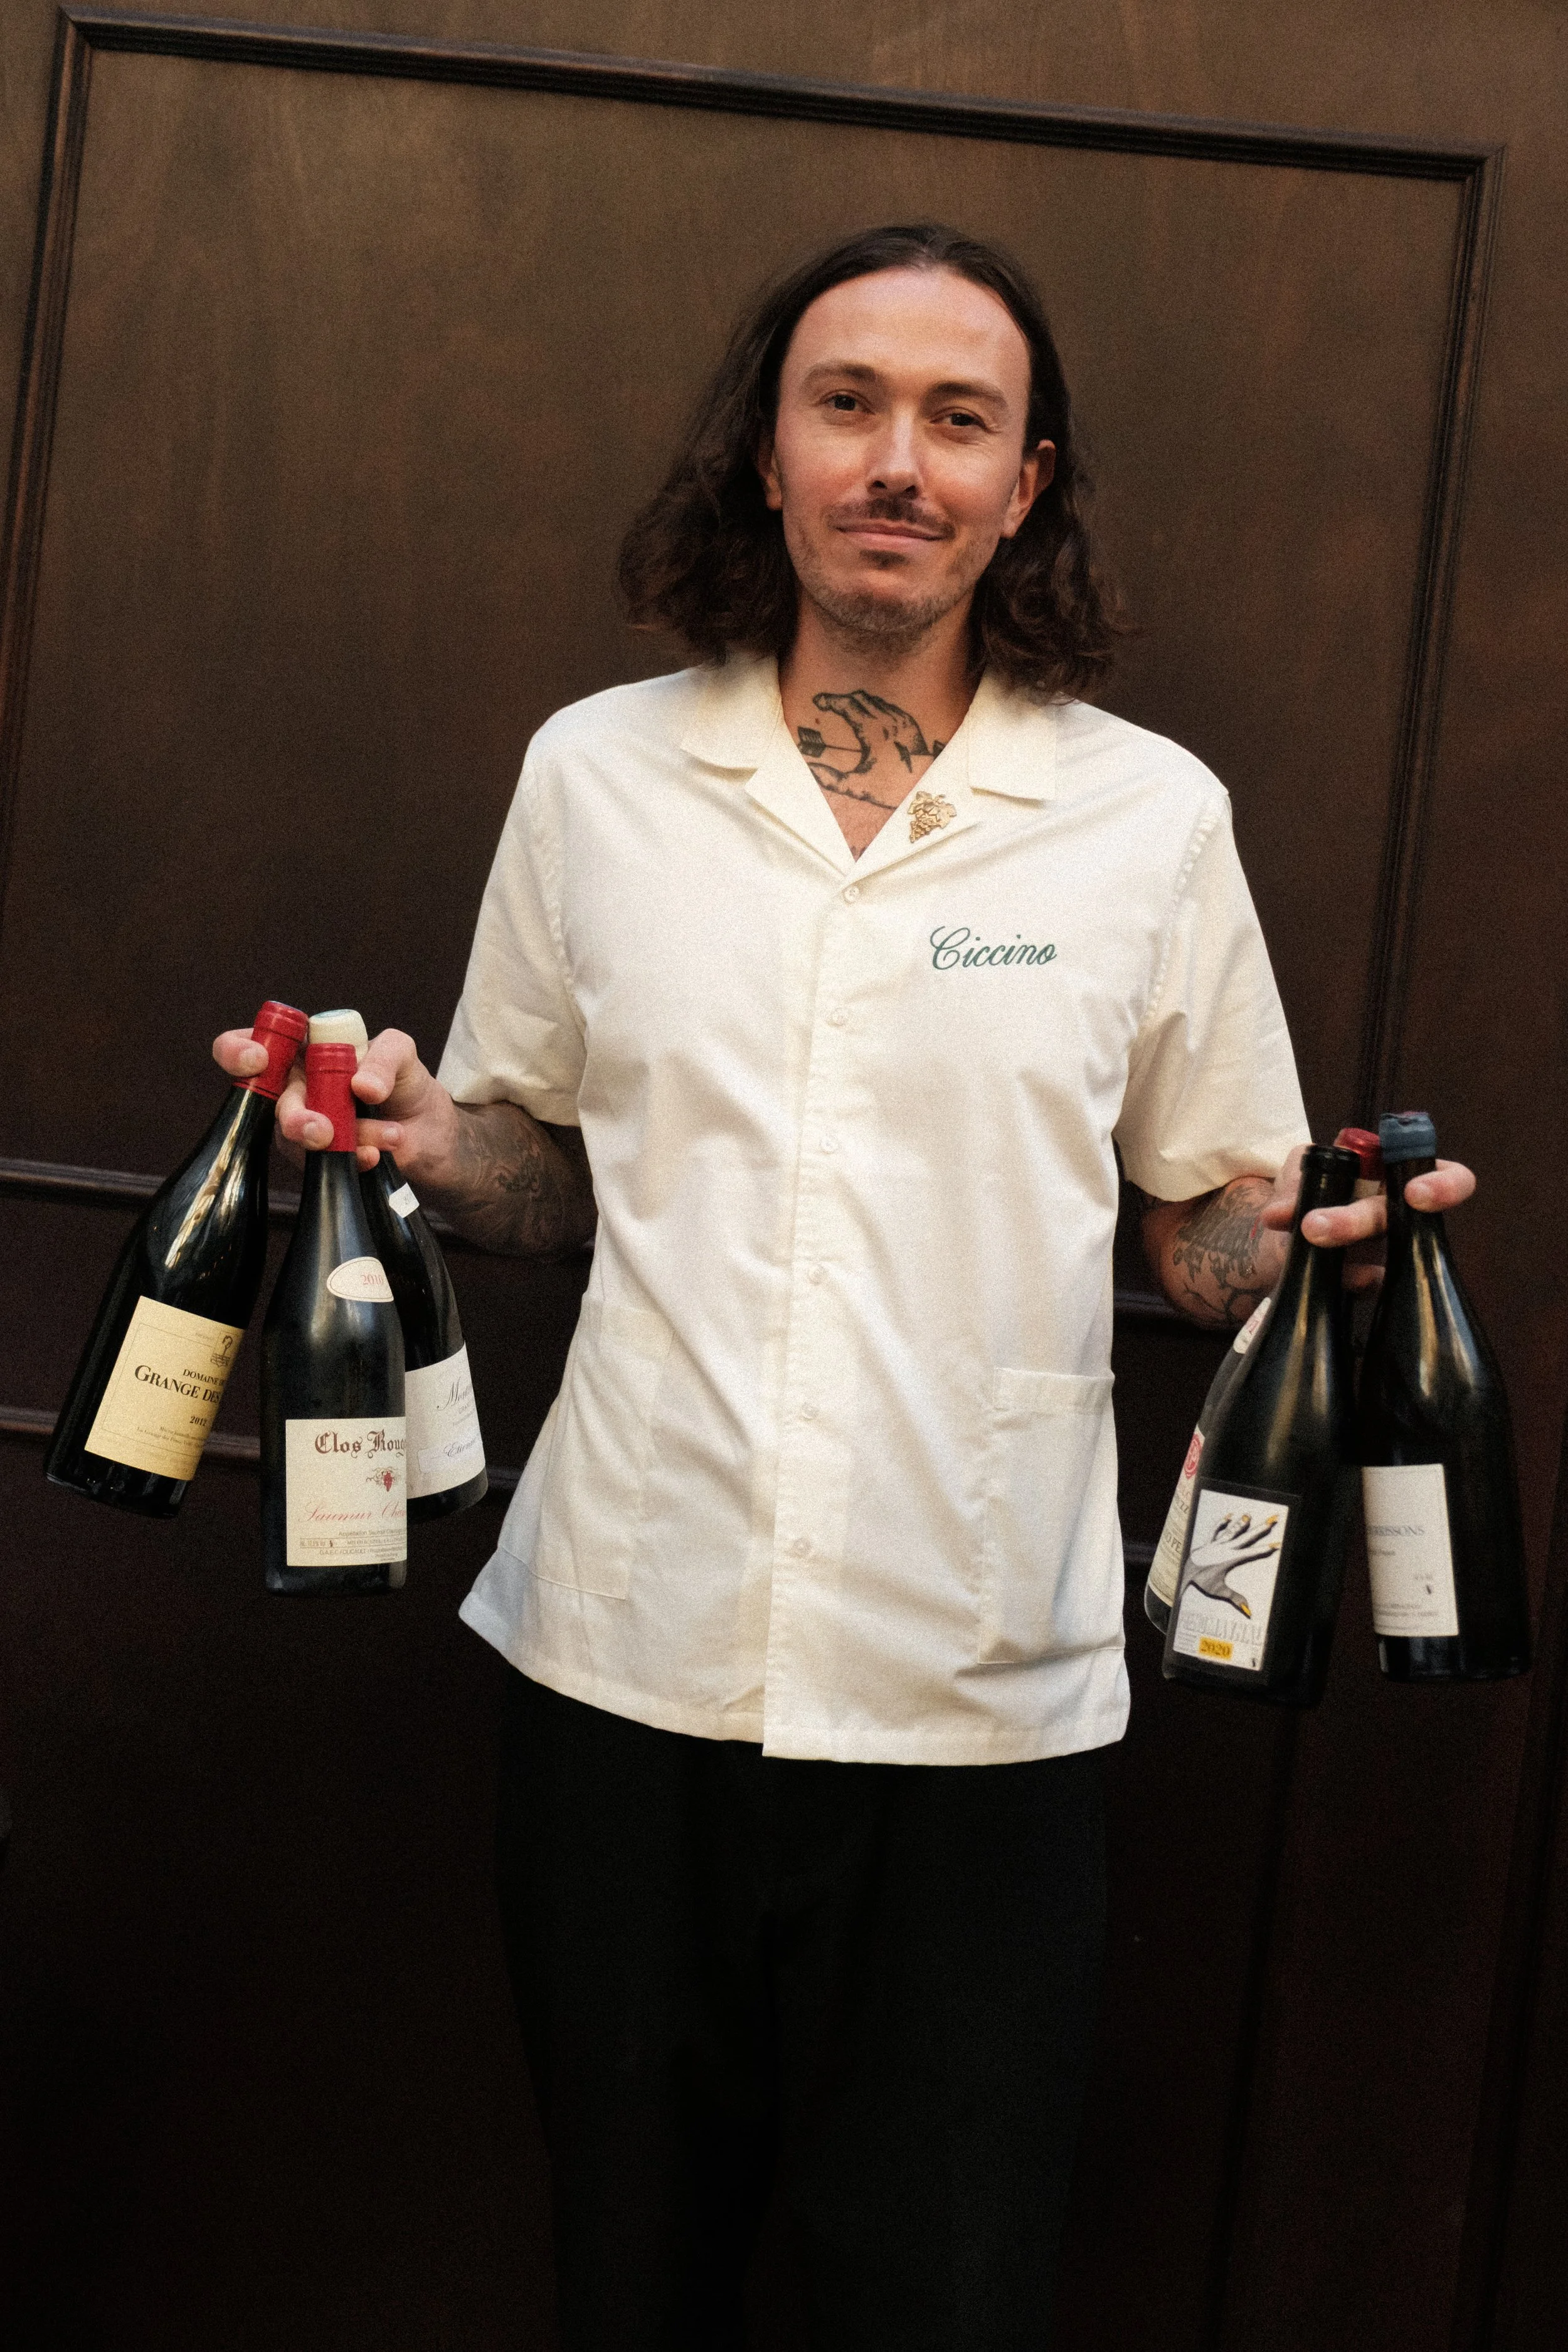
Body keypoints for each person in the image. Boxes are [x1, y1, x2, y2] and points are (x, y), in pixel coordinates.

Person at [215, 222, 1476, 2351]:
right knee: (632, 2280)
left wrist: (1317, 1232)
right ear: (769, 453)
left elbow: (1199, 1229)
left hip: (977, 1690)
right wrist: (426, 1134)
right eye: (848, 404)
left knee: (940, 2295)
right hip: (623, 1662)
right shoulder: (597, 774)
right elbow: (537, 1165)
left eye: (957, 420)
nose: (899, 459)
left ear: (1022, 482)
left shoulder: (1147, 820)